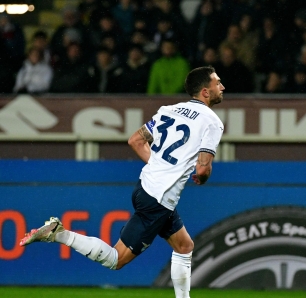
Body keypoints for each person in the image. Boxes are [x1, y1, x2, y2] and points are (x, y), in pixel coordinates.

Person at [20, 66, 225, 298]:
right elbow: (203, 167)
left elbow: (135, 140)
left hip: (146, 188)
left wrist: (160, 165)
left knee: (184, 246)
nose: (223, 87)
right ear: (205, 92)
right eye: (218, 83)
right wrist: (202, 176)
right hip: (158, 199)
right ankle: (59, 233)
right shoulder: (212, 122)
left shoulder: (169, 110)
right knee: (116, 259)